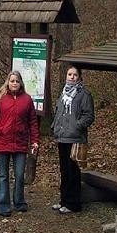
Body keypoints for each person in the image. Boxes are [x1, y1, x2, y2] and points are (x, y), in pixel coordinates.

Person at [0, 71, 39, 217]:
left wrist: (35, 140)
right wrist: (0, 128)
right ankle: (3, 205)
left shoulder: (27, 99)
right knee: (3, 175)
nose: (14, 83)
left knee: (20, 175)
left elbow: (33, 121)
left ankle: (19, 202)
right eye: (12, 81)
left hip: (20, 142)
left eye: (17, 81)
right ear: (8, 82)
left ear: (21, 83)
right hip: (3, 141)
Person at [51, 66, 95, 214]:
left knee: (73, 172)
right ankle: (64, 200)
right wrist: (55, 126)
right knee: (64, 171)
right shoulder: (63, 93)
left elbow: (89, 116)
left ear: (79, 77)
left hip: (75, 138)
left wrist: (77, 126)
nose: (72, 77)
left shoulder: (84, 95)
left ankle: (73, 204)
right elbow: (59, 112)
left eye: (75, 75)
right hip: (62, 137)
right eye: (69, 74)